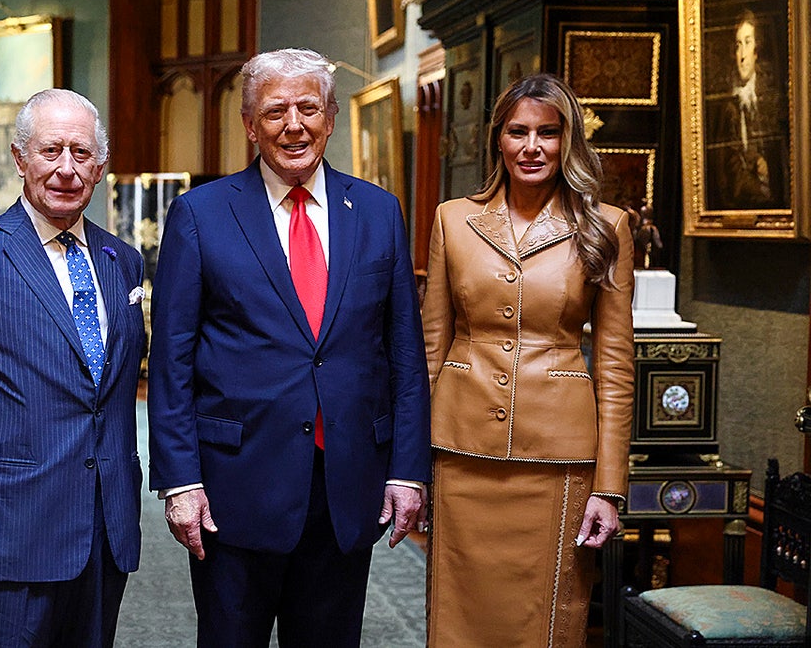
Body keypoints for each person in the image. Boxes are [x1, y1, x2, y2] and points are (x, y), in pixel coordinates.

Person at [148, 48, 431, 647]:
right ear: (250, 125)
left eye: (309, 108)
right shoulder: (200, 214)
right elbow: (171, 360)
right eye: (275, 111)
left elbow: (404, 352)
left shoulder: (379, 212)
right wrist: (180, 481)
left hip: (346, 483)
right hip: (233, 488)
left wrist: (408, 469)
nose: (293, 125)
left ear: (330, 117)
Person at [0, 88, 147, 647]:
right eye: (51, 151)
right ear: (20, 157)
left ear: (100, 166)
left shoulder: (124, 262)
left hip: (103, 525)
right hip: (8, 525)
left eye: (81, 153)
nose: (66, 169)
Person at [420, 72, 634, 647]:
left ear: (570, 142)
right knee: (458, 617)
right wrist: (410, 465)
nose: (532, 147)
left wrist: (609, 487)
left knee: (546, 621)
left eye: (548, 133)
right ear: (498, 139)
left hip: (558, 460)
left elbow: (614, 367)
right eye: (518, 132)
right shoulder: (453, 220)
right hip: (460, 451)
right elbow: (430, 351)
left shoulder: (606, 227)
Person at [708, 9, 788, 210]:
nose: (742, 55)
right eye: (738, 45)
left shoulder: (772, 99)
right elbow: (726, 170)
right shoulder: (727, 108)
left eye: (747, 42)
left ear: (757, 50)